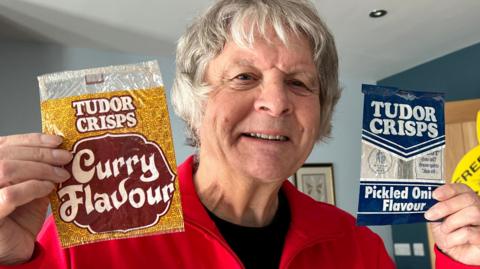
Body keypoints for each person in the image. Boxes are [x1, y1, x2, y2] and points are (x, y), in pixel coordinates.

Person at [0, 0, 479, 268]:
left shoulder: (357, 248)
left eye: (299, 82)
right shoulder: (89, 238)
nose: (277, 102)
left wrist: (464, 261)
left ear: (322, 109)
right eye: (244, 78)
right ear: (195, 101)